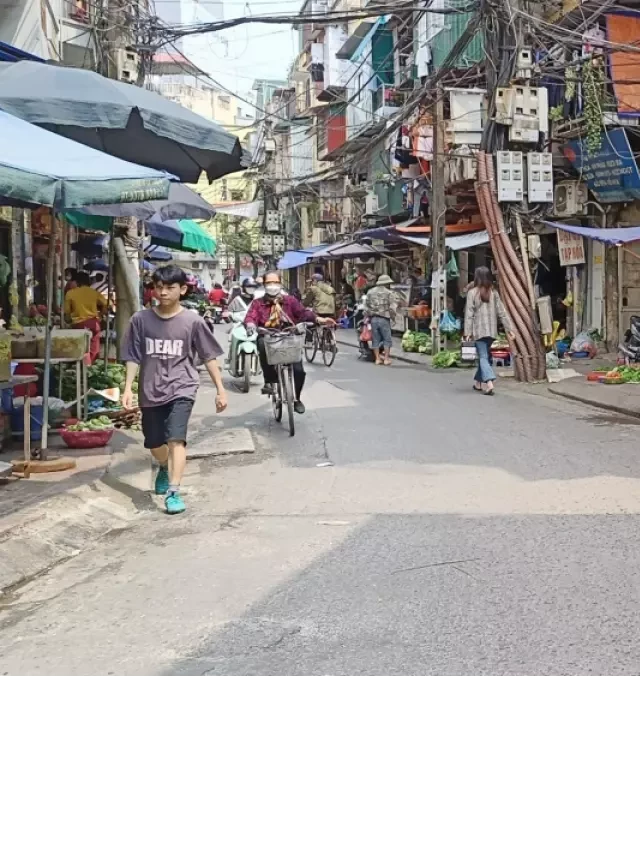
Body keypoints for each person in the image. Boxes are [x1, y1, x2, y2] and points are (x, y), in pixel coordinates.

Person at [121, 265, 228, 515]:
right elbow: (133, 356)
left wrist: (220, 389)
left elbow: (209, 356)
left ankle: (173, 492)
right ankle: (162, 466)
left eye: (170, 288)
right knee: (154, 442)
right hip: (150, 389)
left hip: (183, 387)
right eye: (159, 287)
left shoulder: (193, 321)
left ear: (182, 290)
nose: (164, 292)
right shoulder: (140, 320)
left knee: (176, 439)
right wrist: (128, 388)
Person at [244, 270, 326, 415]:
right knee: (261, 344)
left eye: (275, 282)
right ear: (264, 285)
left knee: (299, 371)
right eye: (269, 283)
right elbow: (251, 316)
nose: (272, 285)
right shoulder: (258, 303)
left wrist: (317, 319)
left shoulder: (290, 301)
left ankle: (297, 399)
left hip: (289, 337)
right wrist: (250, 325)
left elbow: (303, 312)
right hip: (269, 337)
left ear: (280, 284)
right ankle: (269, 380)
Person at [463, 266, 515, 396]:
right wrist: (509, 329)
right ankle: (477, 383)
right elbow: (502, 312)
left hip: (478, 331)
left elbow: (469, 314)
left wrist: (467, 332)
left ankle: (489, 383)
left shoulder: (472, 293)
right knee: (484, 356)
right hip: (491, 331)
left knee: (483, 357)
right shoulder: (494, 293)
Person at [63, 271, 107, 364]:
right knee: (94, 348)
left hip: (79, 324)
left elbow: (67, 312)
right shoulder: (94, 292)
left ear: (77, 282)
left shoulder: (70, 293)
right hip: (94, 323)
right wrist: (100, 315)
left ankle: (84, 368)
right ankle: (91, 367)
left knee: (81, 348)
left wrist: (68, 320)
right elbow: (107, 304)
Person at [364, 274, 396, 366]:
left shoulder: (370, 292)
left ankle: (377, 359)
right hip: (384, 319)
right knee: (387, 339)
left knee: (375, 339)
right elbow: (392, 308)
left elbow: (366, 307)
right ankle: (386, 359)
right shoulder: (389, 293)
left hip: (373, 319)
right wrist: (393, 318)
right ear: (386, 283)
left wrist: (368, 315)